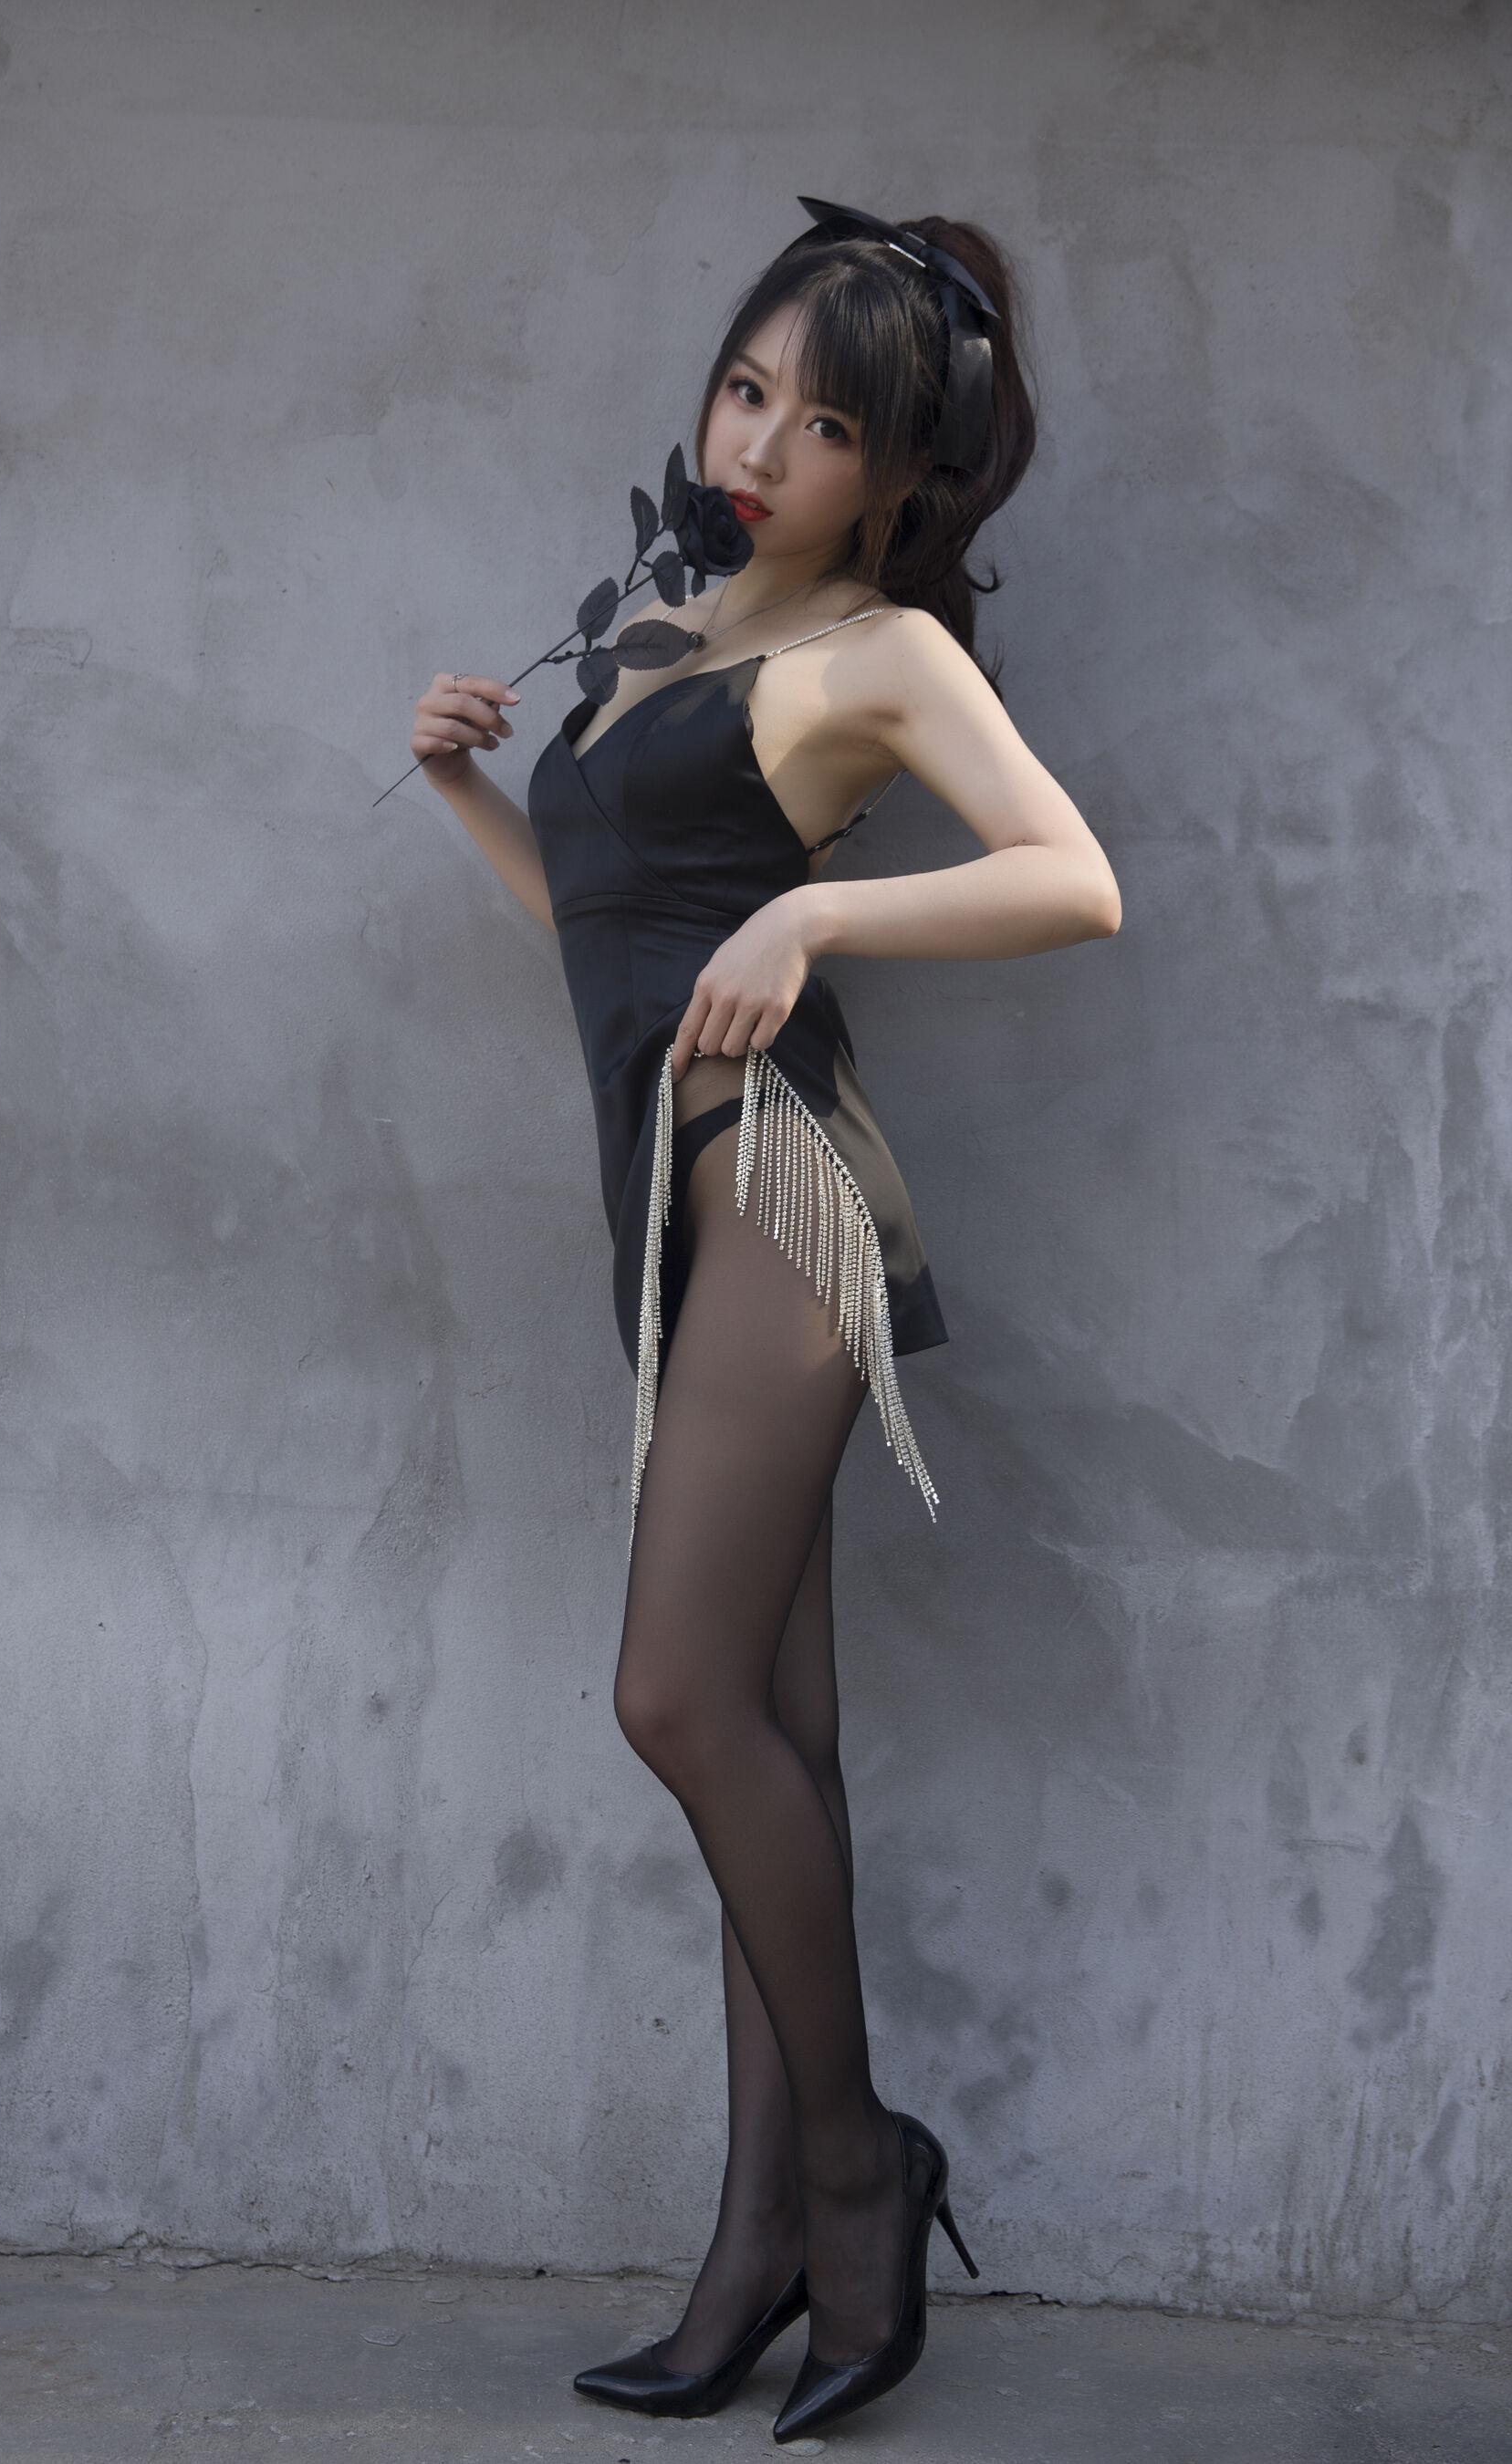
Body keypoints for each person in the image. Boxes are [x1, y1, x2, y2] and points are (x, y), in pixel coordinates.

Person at [410, 200, 1121, 2444]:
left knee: (677, 1695)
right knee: (770, 1737)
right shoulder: (657, 620)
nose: (758, 446)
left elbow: (1076, 879)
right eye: (744, 390)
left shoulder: (884, 657)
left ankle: (857, 2170)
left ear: (897, 473)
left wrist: (819, 916)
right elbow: (608, 930)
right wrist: (464, 785)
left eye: (819, 427)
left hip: (784, 1192)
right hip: (669, 1205)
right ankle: (758, 2248)